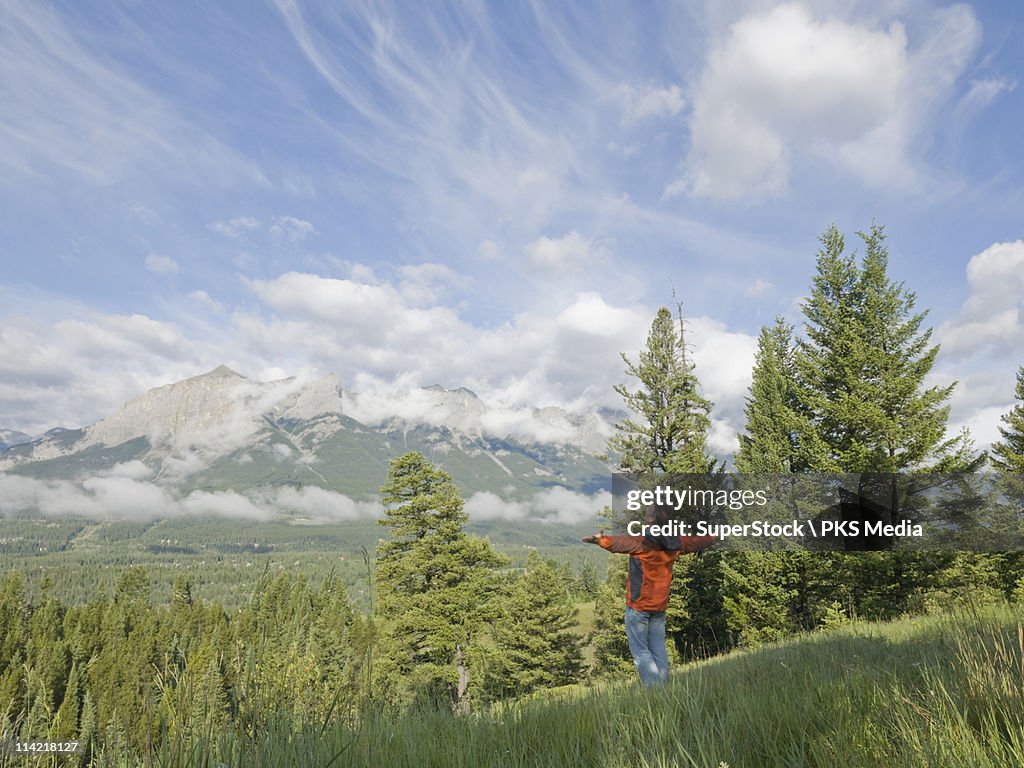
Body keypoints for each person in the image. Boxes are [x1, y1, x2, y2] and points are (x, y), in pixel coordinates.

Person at [584, 508, 717, 686]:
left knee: (640, 650)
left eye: (647, 515)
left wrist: (601, 540)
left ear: (652, 520)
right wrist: (717, 535)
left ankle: (655, 690)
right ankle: (663, 686)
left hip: (638, 607)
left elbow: (621, 543)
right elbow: (696, 542)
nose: (645, 518)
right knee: (658, 648)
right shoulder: (676, 542)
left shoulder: (643, 542)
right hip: (659, 607)